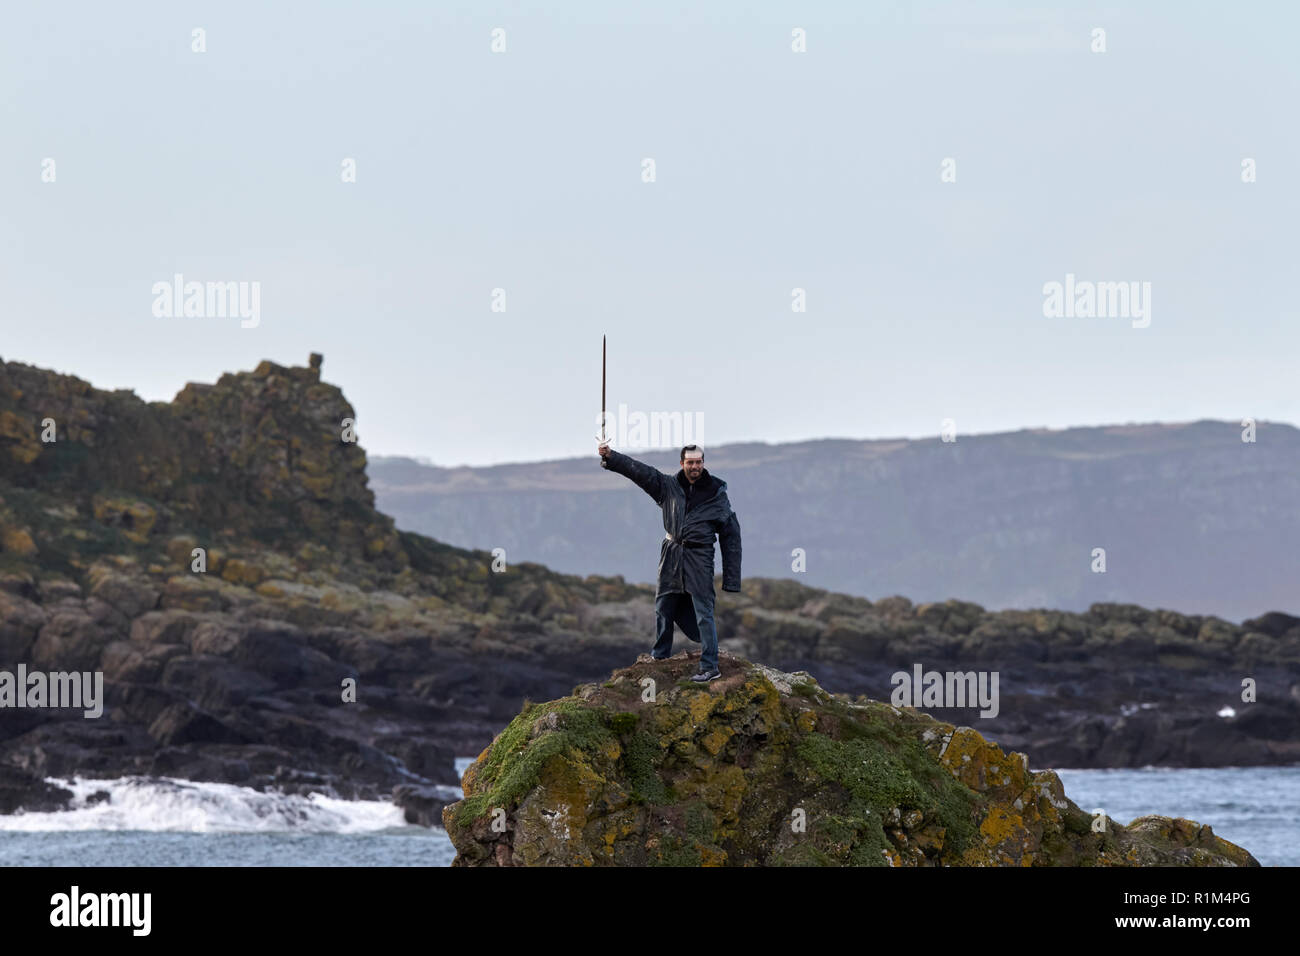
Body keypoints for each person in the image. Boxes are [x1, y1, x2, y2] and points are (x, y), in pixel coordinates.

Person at [598, 441, 742, 682]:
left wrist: (731, 579)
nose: (694, 466)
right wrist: (611, 457)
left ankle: (709, 666)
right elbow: (639, 472)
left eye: (698, 462)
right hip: (672, 553)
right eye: (690, 462)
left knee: (703, 611)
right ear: (682, 463)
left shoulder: (717, 495)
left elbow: (731, 536)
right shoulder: (668, 486)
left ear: (703, 463)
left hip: (700, 556)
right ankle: (660, 656)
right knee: (663, 605)